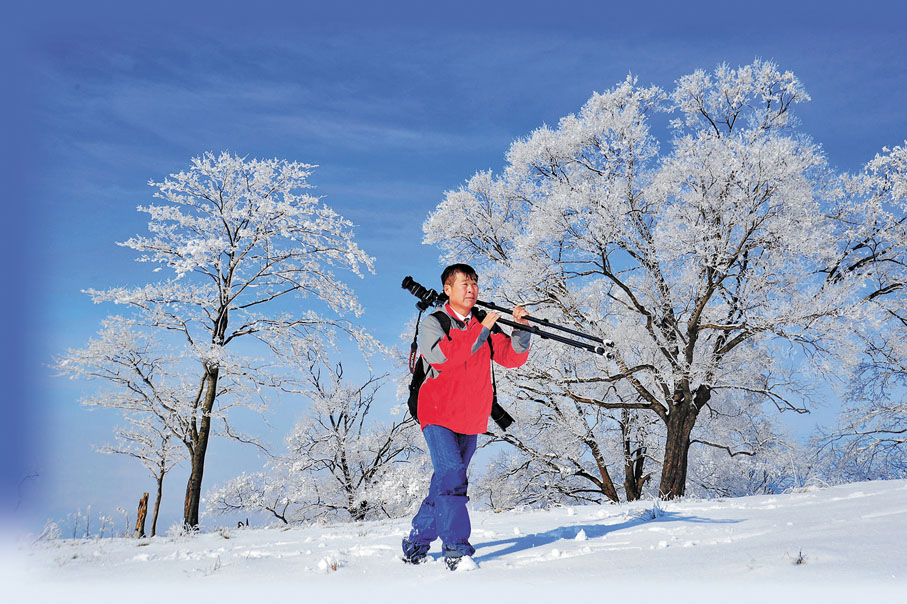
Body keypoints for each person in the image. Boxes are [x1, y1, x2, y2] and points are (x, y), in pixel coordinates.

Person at [401, 263, 532, 570]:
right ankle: (456, 550)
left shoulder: (483, 324)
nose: (472, 289)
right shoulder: (434, 323)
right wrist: (481, 329)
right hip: (437, 413)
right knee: (453, 477)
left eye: (474, 283)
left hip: (470, 415)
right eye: (464, 284)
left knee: (445, 481)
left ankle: (417, 542)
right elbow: (445, 357)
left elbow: (510, 357)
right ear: (447, 289)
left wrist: (522, 329)